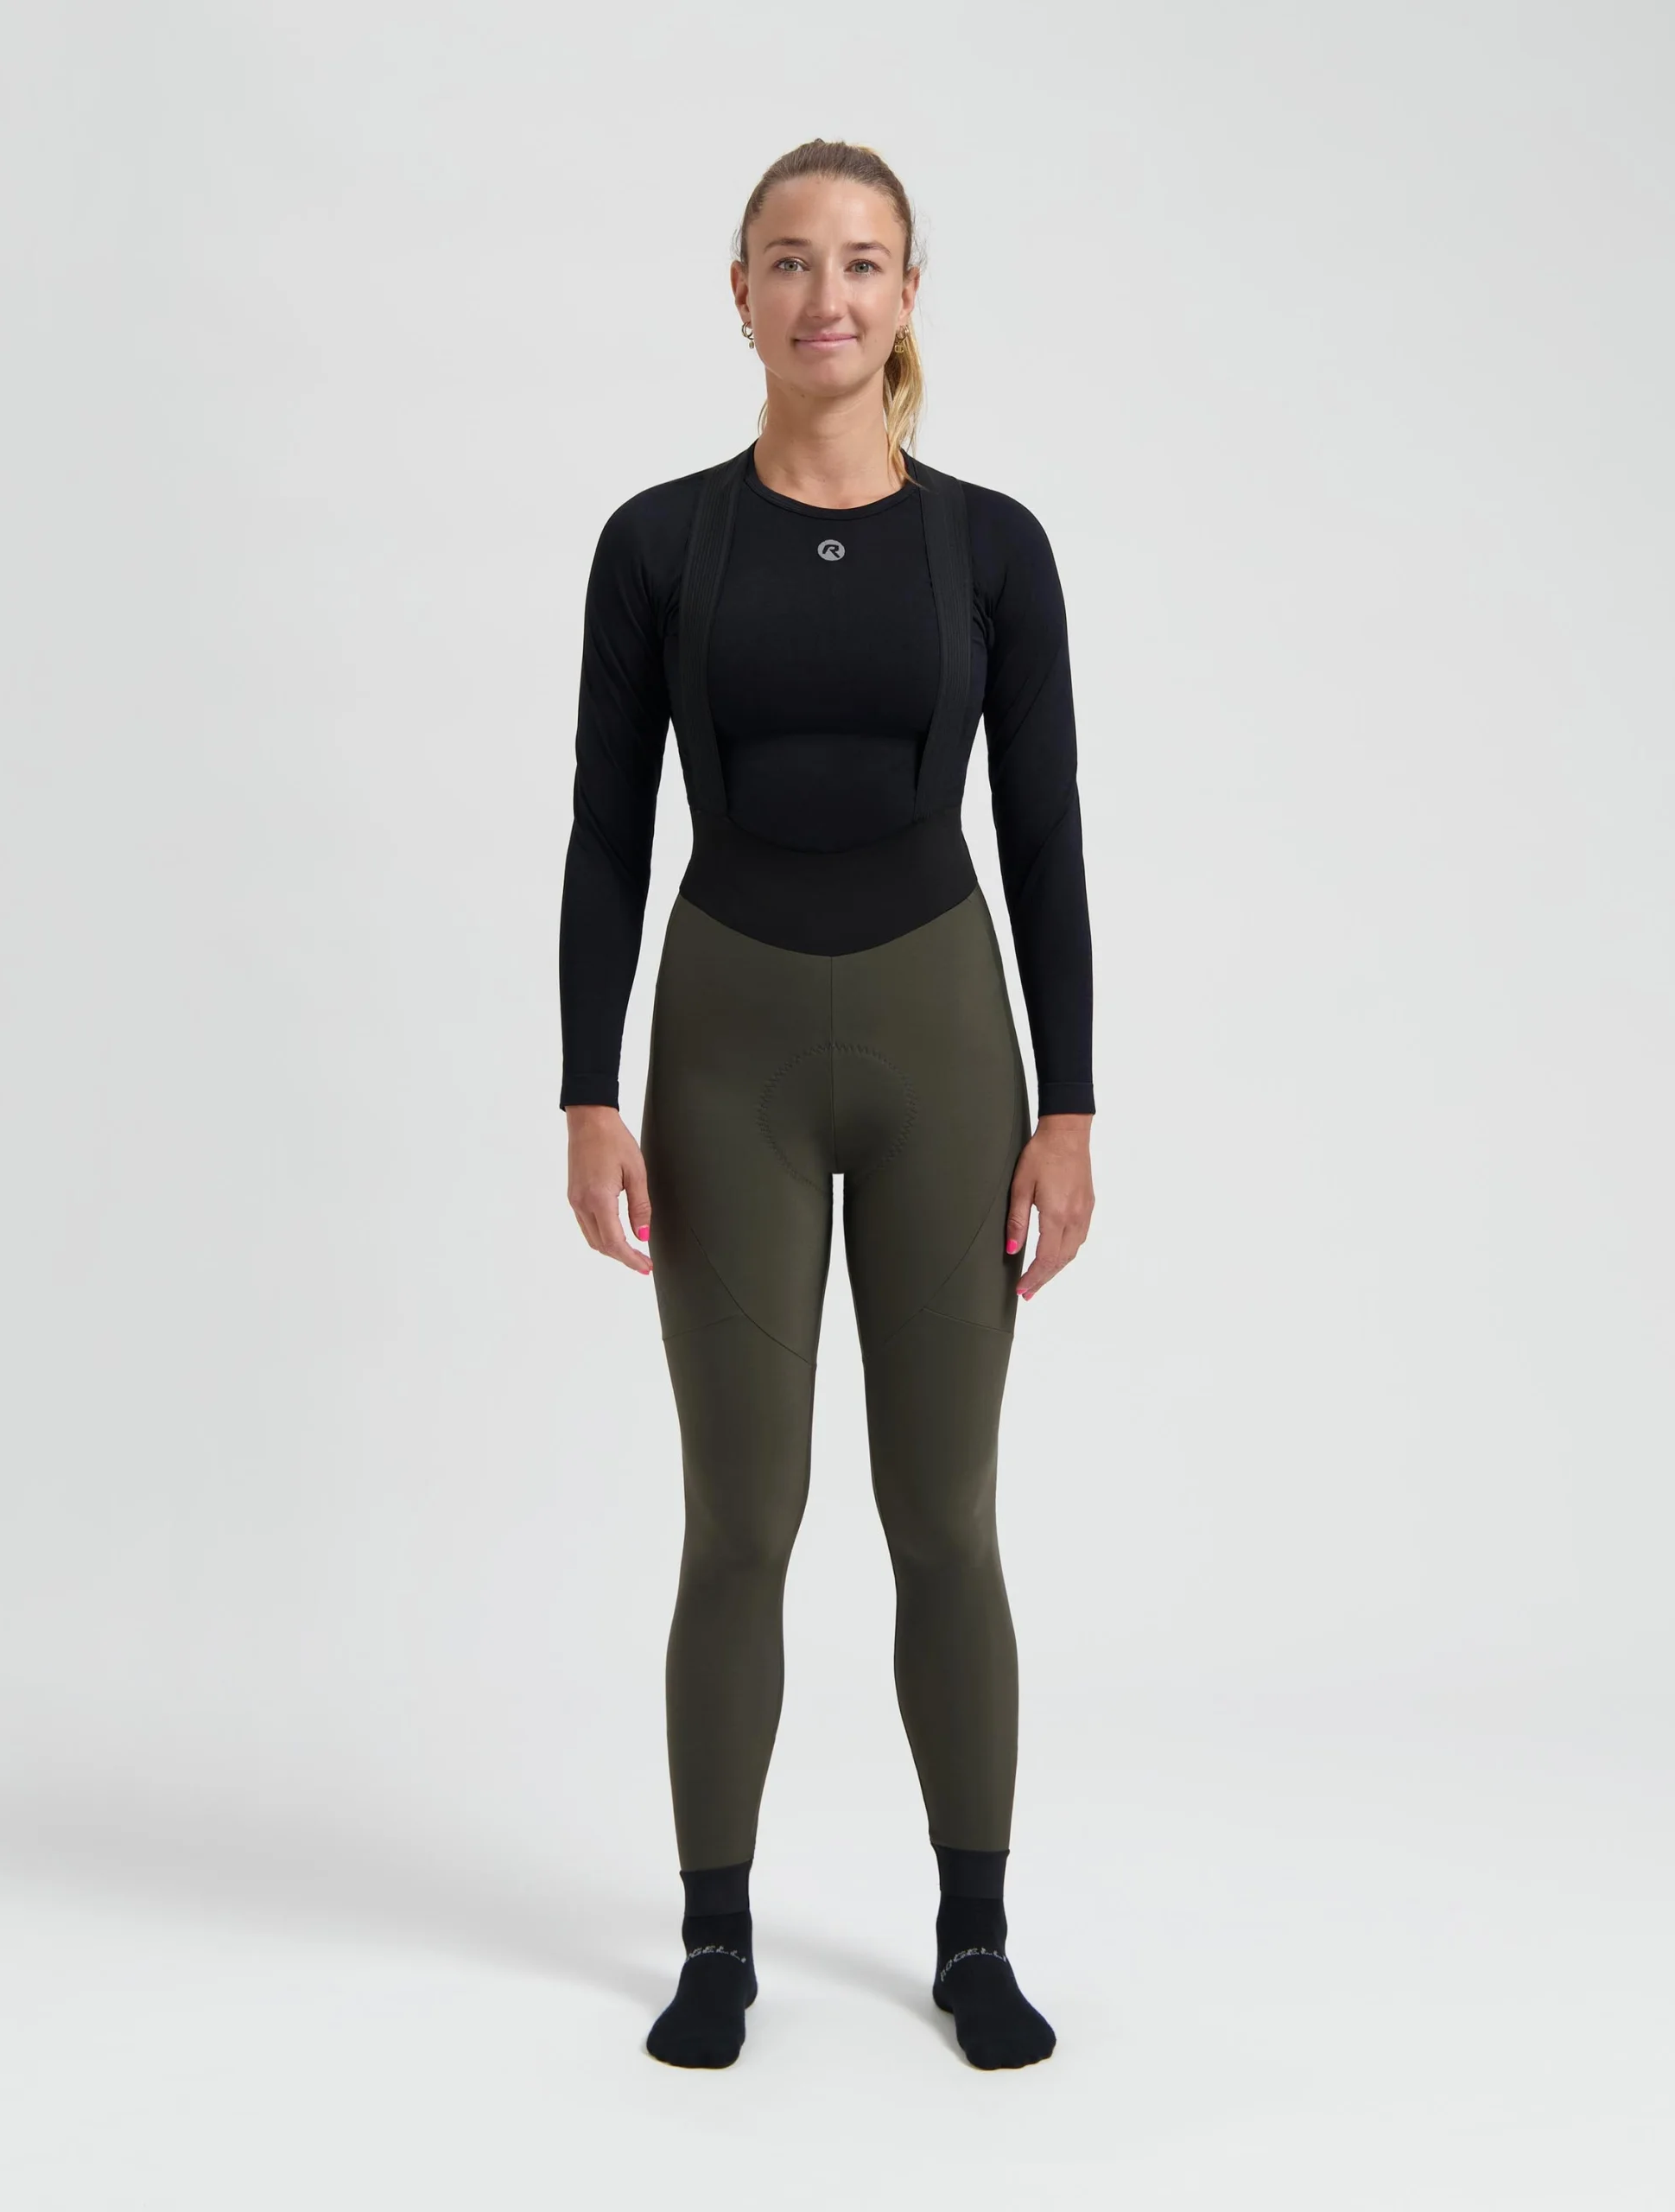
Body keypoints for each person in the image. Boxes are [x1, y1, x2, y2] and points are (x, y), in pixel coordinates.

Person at [556, 138, 1095, 2071]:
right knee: (741, 1516)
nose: (825, 296)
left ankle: (973, 1938)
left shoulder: (992, 549)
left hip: (947, 1043)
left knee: (943, 1512)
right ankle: (715, 1942)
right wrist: (585, 1091)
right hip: (726, 1046)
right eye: (788, 262)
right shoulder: (658, 544)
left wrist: (1071, 1106)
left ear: (907, 294)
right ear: (738, 294)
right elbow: (607, 829)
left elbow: (1042, 830)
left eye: (861, 262)